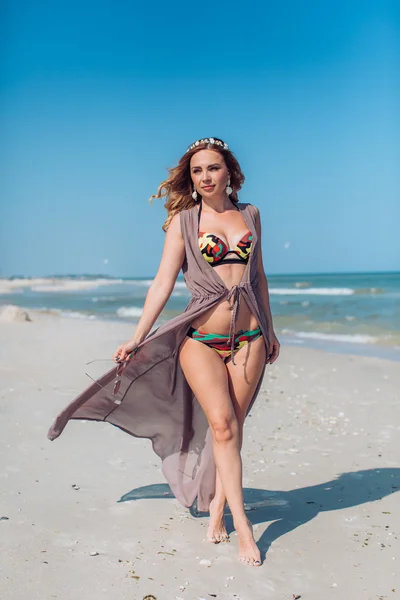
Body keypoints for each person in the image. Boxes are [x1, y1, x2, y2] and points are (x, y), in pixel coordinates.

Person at [48, 137, 280, 567]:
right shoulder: (184, 222)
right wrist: (138, 335)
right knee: (223, 427)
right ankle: (242, 524)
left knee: (233, 429)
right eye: (197, 171)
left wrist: (271, 328)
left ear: (229, 171)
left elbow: (259, 275)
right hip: (201, 342)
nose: (205, 177)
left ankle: (216, 507)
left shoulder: (252, 215)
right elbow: (162, 283)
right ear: (190, 179)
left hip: (250, 340)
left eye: (213, 168)